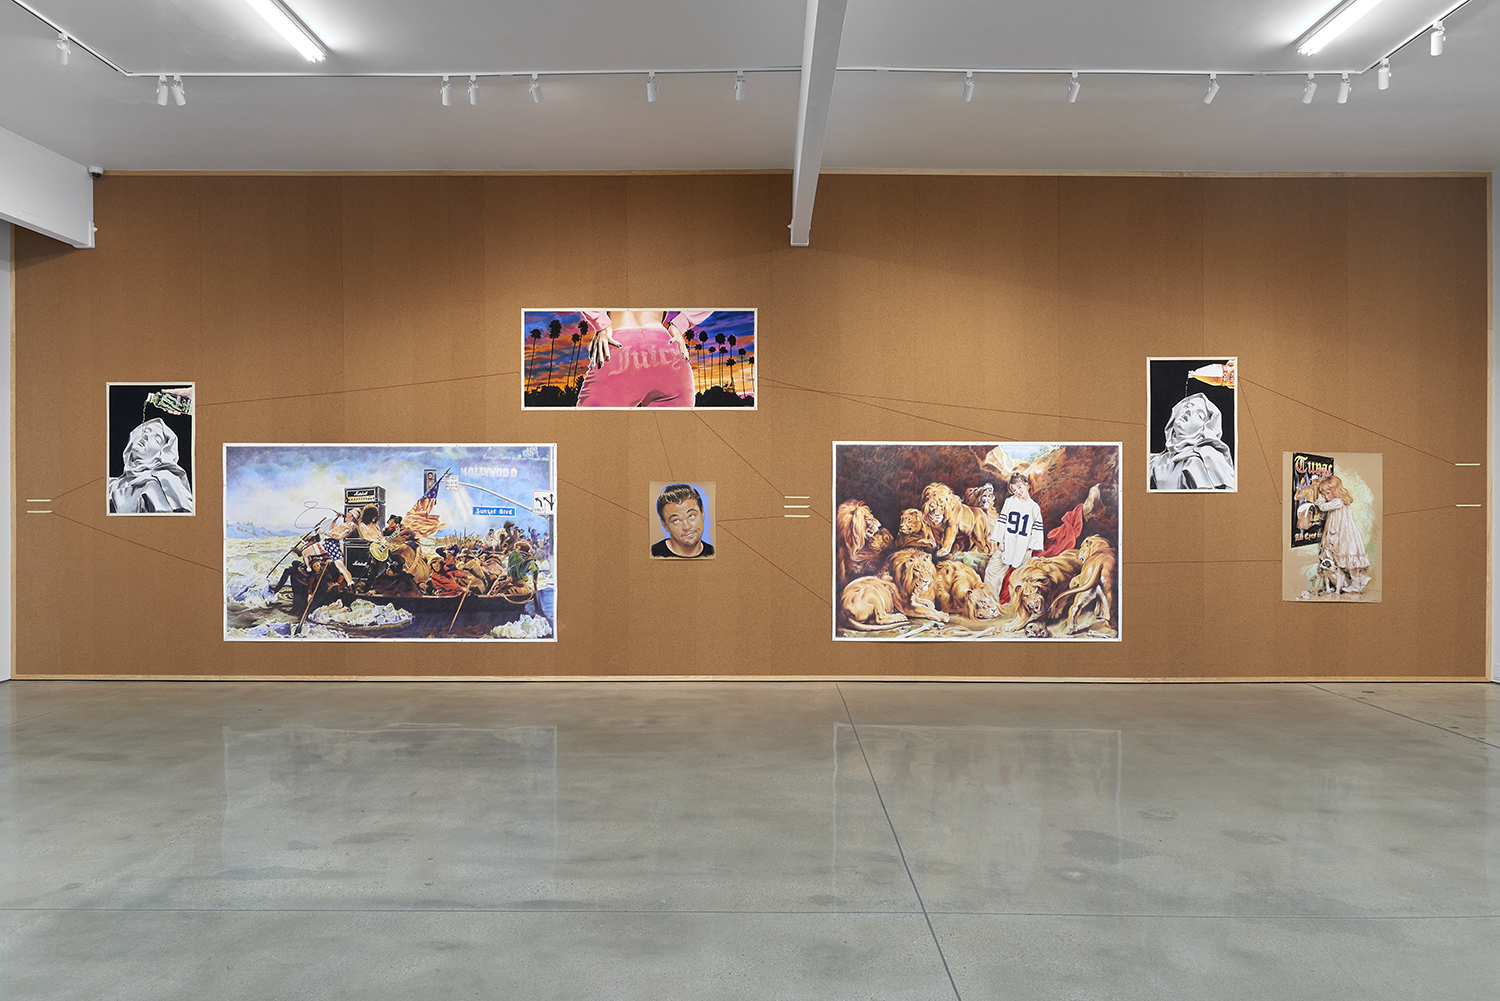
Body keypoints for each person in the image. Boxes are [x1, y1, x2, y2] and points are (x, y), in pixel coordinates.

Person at [573, 310, 715, 408]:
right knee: (670, 440)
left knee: (590, 434)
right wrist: (681, 323)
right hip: (668, 348)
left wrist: (602, 324)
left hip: (618, 347)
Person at [1149, 393, 1235, 490]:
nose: (1189, 411)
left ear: (1204, 430)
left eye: (1200, 415)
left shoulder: (1207, 456)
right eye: (1188, 406)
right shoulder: (1154, 460)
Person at [107, 418, 193, 513]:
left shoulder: (161, 482)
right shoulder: (112, 484)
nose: (146, 436)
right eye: (146, 431)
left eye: (157, 439)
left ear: (161, 454)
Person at [986, 473, 1044, 600]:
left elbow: (1037, 530)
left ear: (1026, 485)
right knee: (992, 571)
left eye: (1019, 487)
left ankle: (1019, 606)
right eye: (1014, 490)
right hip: (1007, 543)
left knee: (1022, 578)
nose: (1017, 492)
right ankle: (991, 601)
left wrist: (1029, 547)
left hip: (1024, 545)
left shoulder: (1034, 507)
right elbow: (1002, 522)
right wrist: (1000, 541)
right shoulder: (1009, 502)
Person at [1313, 475, 1372, 593]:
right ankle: (1356, 581)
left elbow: (1323, 507)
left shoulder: (1338, 501)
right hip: (1340, 535)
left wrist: (1320, 499)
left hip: (1345, 536)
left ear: (1336, 490)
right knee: (1345, 562)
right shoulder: (1338, 501)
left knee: (1350, 563)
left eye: (1328, 493)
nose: (1326, 497)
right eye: (1324, 494)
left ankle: (1356, 584)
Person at [651, 483, 714, 558]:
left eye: (691, 516)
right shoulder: (653, 554)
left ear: (702, 514)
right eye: (676, 520)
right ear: (664, 524)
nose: (686, 527)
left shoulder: (713, 552)